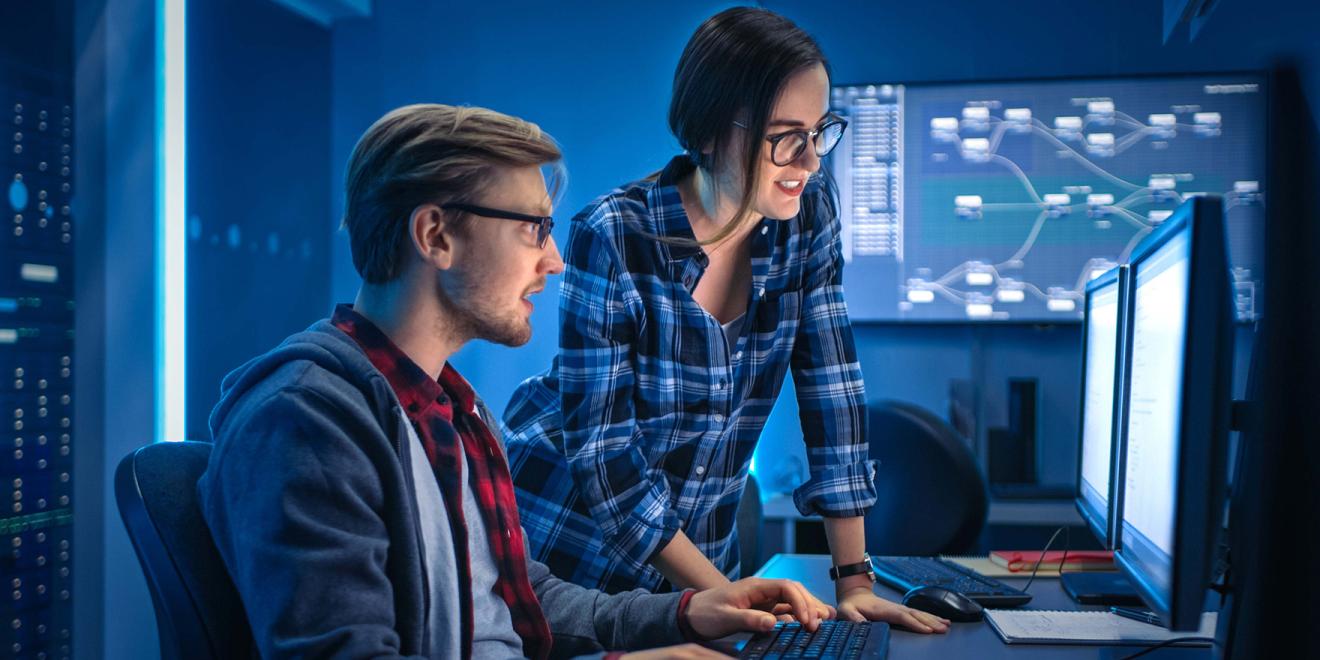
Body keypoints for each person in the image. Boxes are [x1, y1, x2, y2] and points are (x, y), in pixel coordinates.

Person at [198, 103, 833, 660]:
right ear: (435, 235)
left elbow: (523, 602)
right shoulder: (307, 423)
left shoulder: (454, 410)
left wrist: (688, 612)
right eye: (534, 228)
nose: (555, 261)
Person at [503, 8, 949, 634]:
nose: (811, 160)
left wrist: (854, 580)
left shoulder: (808, 212)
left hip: (706, 562)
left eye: (820, 132)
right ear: (711, 131)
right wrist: (732, 602)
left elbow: (832, 384)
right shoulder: (614, 234)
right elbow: (605, 461)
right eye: (787, 136)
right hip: (574, 547)